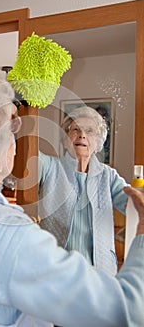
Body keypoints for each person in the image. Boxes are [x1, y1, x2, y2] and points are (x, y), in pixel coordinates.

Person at [0, 64, 144, 327]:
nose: (15, 141)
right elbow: (127, 312)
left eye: (88, 131)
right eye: (12, 128)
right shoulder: (5, 233)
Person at [38, 106, 128, 276]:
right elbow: (27, 157)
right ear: (65, 140)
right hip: (57, 270)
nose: (82, 135)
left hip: (101, 273)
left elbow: (131, 202)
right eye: (75, 130)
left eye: (90, 131)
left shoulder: (108, 176)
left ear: (98, 143)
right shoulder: (50, 166)